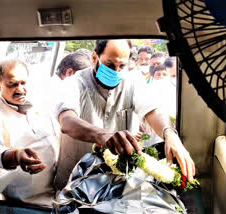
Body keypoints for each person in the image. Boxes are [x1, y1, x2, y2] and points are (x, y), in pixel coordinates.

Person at [54, 39, 195, 189]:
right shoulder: (74, 84)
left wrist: (169, 134)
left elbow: (153, 110)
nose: (115, 72)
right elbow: (67, 120)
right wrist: (104, 136)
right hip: (74, 181)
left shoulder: (131, 84)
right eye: (109, 65)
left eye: (121, 66)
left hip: (114, 183)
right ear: (94, 58)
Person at [0, 58, 59, 213]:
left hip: (57, 195)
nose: (20, 89)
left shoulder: (40, 103)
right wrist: (16, 156)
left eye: (23, 83)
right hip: (26, 203)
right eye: (13, 84)